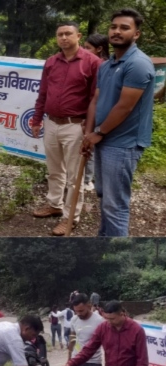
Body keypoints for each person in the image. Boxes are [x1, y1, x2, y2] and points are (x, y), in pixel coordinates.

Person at [82, 8, 155, 237]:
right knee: (104, 196)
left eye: (124, 28)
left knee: (115, 205)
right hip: (103, 138)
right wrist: (88, 133)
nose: (117, 31)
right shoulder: (107, 65)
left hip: (123, 143)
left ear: (136, 34)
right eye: (113, 27)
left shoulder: (138, 64)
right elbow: (96, 99)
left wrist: (99, 133)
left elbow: (125, 106)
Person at [31, 21, 102, 236]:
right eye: (60, 34)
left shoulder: (93, 62)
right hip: (52, 123)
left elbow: (96, 98)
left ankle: (71, 217)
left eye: (68, 34)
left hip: (76, 125)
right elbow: (43, 93)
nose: (63, 38)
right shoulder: (52, 62)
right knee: (54, 170)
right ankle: (54, 204)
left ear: (78, 36)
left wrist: (89, 129)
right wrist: (36, 119)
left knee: (75, 176)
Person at [83, 34, 110, 190]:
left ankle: (87, 179)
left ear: (99, 49)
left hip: (98, 114)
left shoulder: (103, 66)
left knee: (90, 146)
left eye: (88, 48)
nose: (84, 51)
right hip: (89, 112)